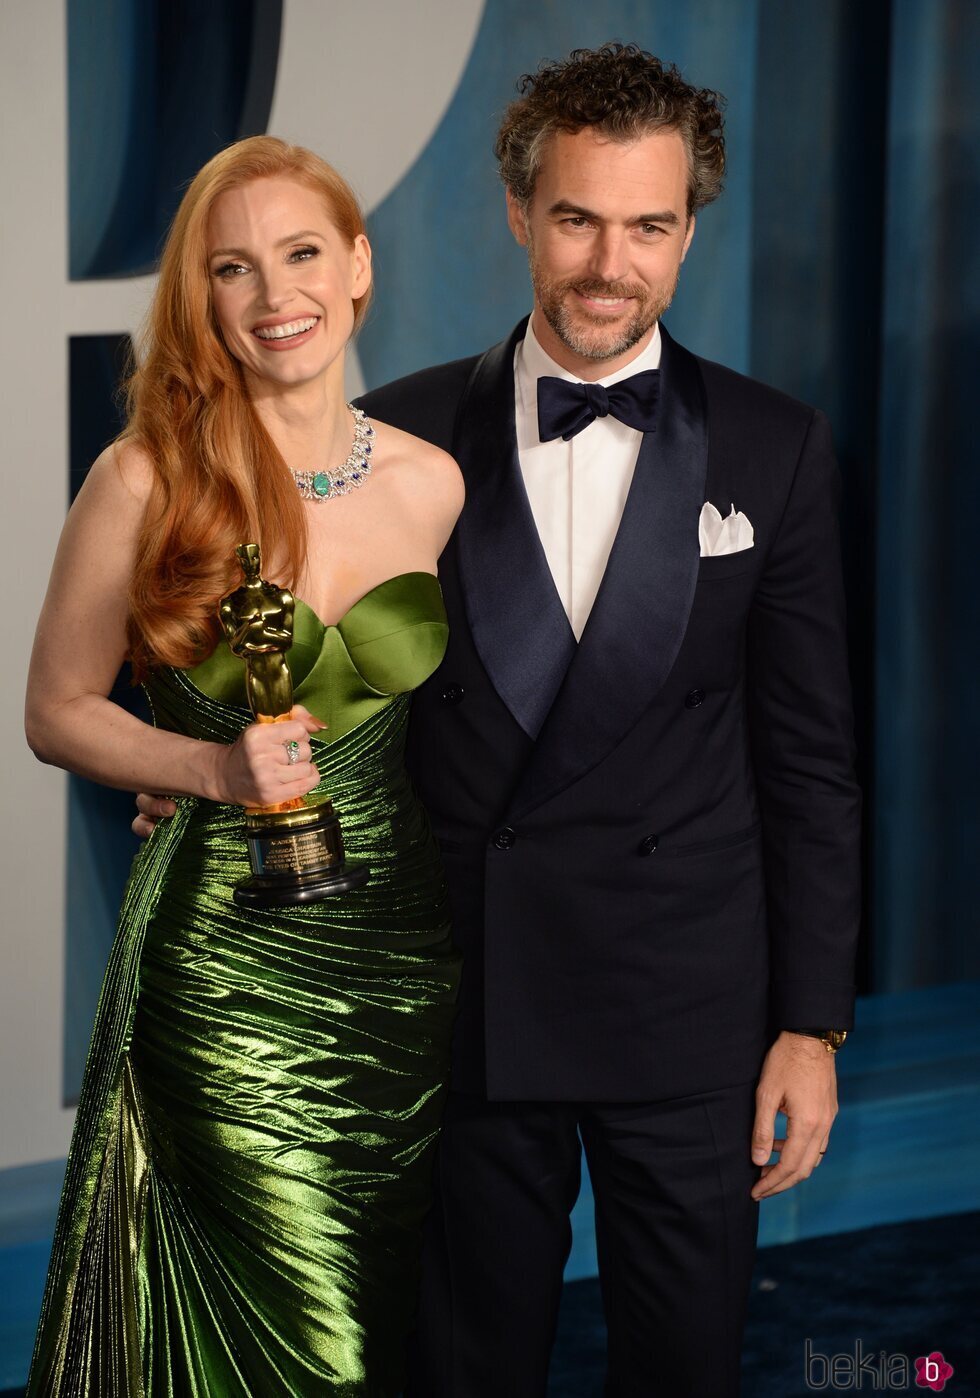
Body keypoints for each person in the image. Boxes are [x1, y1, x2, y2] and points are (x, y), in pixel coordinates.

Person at [137, 44, 861, 1397]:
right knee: (464, 1367)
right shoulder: (390, 436)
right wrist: (201, 765)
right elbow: (313, 685)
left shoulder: (777, 449)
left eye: (648, 225)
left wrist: (811, 1027)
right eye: (578, 218)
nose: (610, 263)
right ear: (519, 213)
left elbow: (813, 761)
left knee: (686, 1362)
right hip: (470, 990)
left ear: (690, 230)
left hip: (691, 1005)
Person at [26, 135, 463, 1396]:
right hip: (224, 961)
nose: (277, 296)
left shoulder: (435, 484)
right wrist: (202, 768)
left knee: (371, 1317)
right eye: (234, 268)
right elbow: (55, 710)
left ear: (359, 264)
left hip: (394, 965)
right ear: (200, 296)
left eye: (302, 253)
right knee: (306, 1330)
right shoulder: (145, 478)